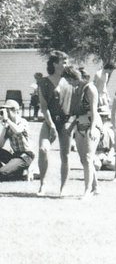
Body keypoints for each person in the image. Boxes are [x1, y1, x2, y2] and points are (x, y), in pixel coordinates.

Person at [36, 50, 73, 195]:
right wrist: (51, 125)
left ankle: (63, 187)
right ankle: (43, 184)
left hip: (65, 122)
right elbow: (44, 108)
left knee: (65, 155)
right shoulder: (44, 83)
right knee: (43, 149)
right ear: (55, 64)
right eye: (63, 62)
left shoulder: (69, 81)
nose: (66, 65)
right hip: (49, 121)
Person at [65, 66, 100, 198]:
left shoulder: (90, 88)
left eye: (69, 80)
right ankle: (95, 187)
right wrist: (71, 127)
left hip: (91, 124)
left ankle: (87, 190)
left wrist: (92, 128)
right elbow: (77, 112)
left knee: (88, 158)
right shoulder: (76, 90)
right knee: (84, 159)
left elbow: (94, 110)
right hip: (79, 124)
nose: (69, 84)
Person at [0, 99, 34, 181]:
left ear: (15, 110)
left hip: (25, 157)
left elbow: (18, 130)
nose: (6, 114)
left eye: (7, 111)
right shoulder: (8, 126)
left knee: (2, 173)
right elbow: (0, 145)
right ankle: (17, 172)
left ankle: (17, 172)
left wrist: (7, 120)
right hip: (15, 155)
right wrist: (4, 127)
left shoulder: (23, 122)